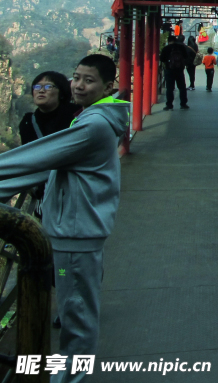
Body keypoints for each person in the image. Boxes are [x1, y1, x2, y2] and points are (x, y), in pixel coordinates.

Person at [0, 54, 129, 383]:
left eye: (89, 80)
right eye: (76, 77)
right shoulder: (93, 117)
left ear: (107, 86)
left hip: (76, 232)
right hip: (78, 229)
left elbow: (37, 157)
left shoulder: (94, 124)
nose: (79, 85)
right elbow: (46, 163)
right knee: (77, 313)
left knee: (77, 318)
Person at [18, 71, 81, 147]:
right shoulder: (28, 122)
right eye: (37, 87)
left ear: (61, 93)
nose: (41, 91)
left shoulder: (78, 114)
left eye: (48, 87)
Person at [159, 35, 192, 110]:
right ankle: (183, 104)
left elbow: (162, 59)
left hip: (169, 70)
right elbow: (186, 57)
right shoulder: (181, 47)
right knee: (182, 88)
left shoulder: (166, 48)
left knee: (170, 88)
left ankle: (169, 105)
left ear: (168, 41)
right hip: (179, 70)